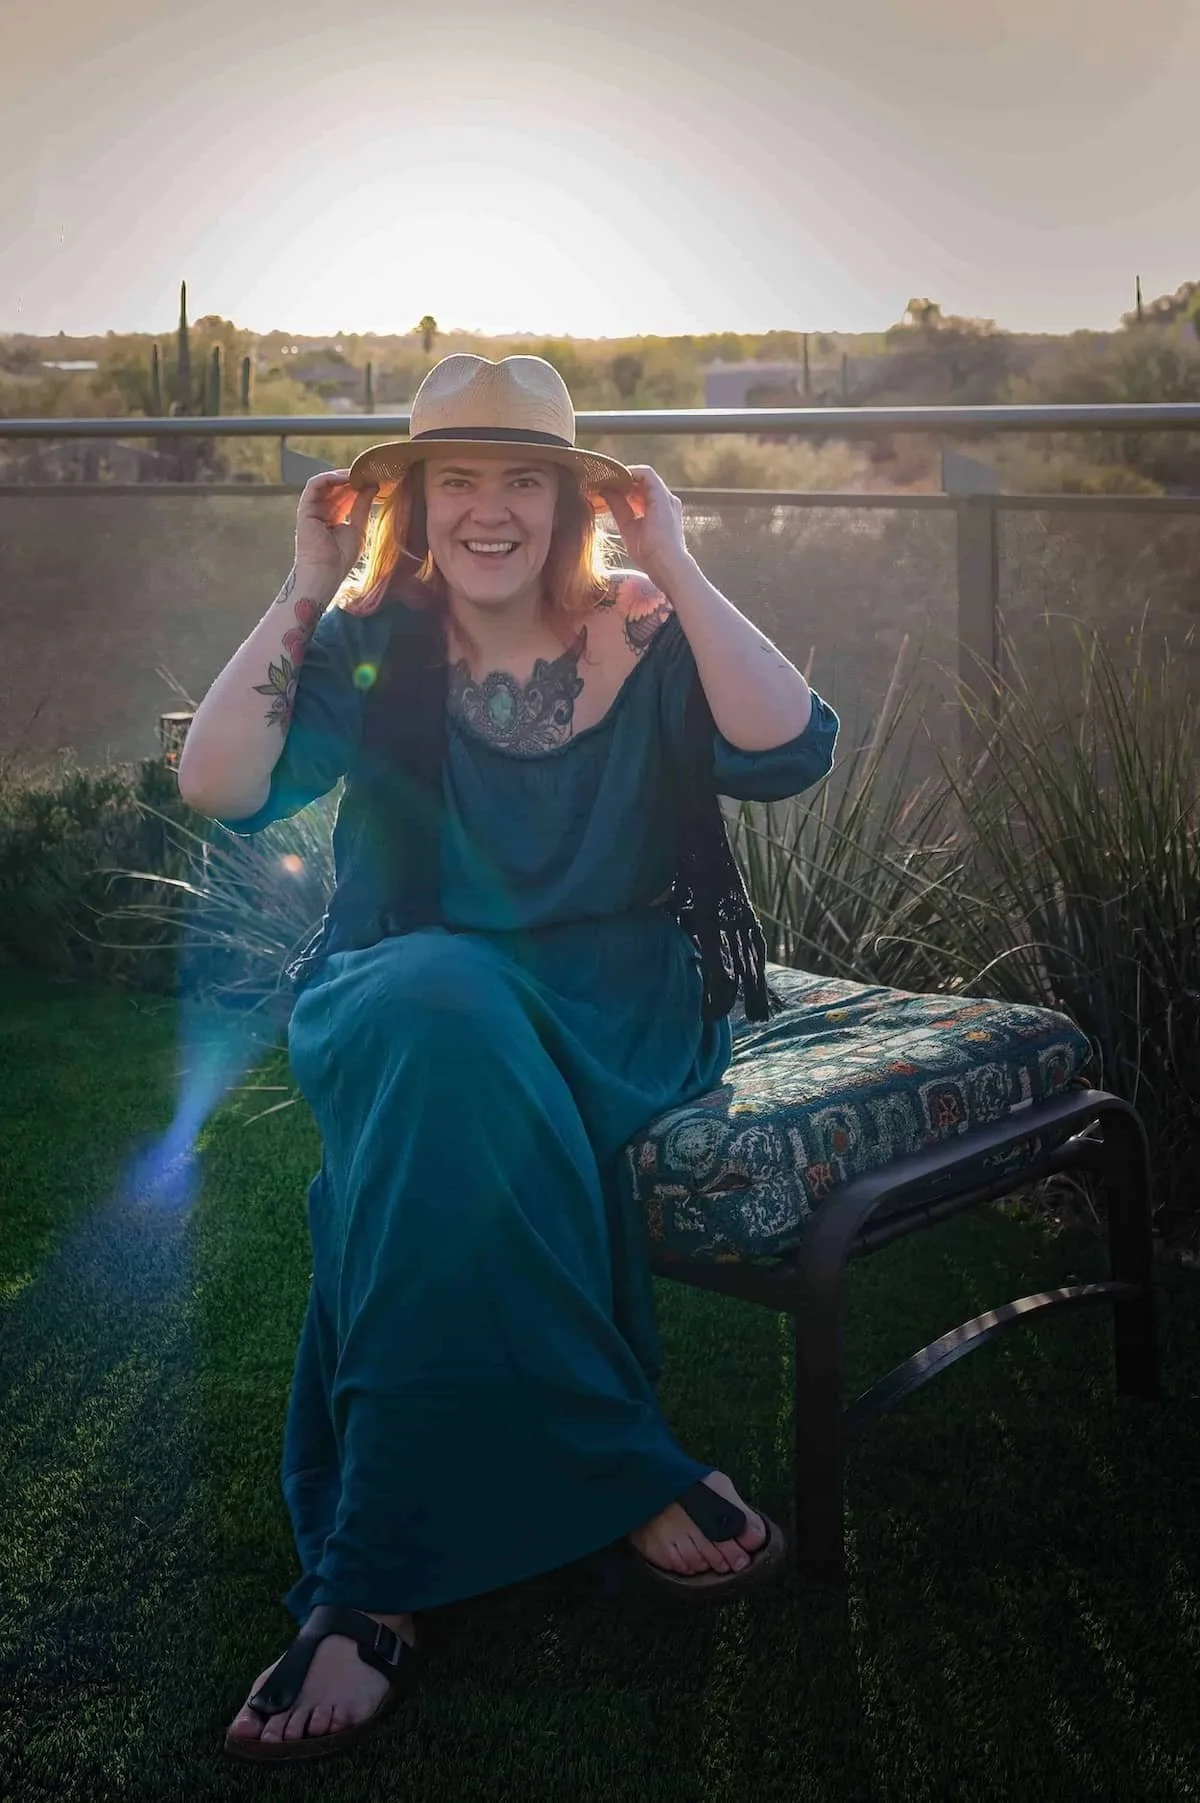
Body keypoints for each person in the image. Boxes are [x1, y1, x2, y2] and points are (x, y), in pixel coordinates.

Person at [178, 353, 839, 1766]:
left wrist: (683, 560)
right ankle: (612, 1469)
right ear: (410, 505)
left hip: (616, 1007)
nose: (490, 510)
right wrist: (306, 578)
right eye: (456, 480)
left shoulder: (643, 628)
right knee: (438, 1013)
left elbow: (790, 751)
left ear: (569, 497)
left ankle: (370, 1590)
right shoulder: (370, 641)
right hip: (402, 985)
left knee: (432, 1106)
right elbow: (223, 783)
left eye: (523, 479)